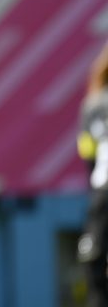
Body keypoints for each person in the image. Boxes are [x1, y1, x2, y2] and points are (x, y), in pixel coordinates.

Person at [76, 41, 108, 307]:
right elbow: (87, 151)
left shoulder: (92, 105)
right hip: (102, 199)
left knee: (93, 259)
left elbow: (87, 154)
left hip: (101, 198)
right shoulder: (94, 106)